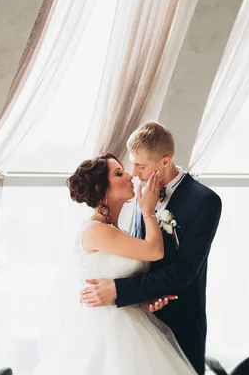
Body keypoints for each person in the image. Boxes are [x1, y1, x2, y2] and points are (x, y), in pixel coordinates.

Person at [32, 152, 197, 374]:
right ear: (101, 189)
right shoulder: (95, 231)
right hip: (104, 333)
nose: (130, 176)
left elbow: (119, 279)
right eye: (119, 173)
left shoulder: (118, 232)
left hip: (134, 326)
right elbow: (155, 251)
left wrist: (144, 300)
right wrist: (148, 212)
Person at [80, 122, 222, 374]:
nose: (133, 173)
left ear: (165, 162)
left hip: (180, 320)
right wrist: (142, 297)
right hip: (134, 322)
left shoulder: (205, 201)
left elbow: (185, 270)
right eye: (131, 164)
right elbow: (140, 253)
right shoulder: (141, 195)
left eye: (141, 166)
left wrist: (121, 290)